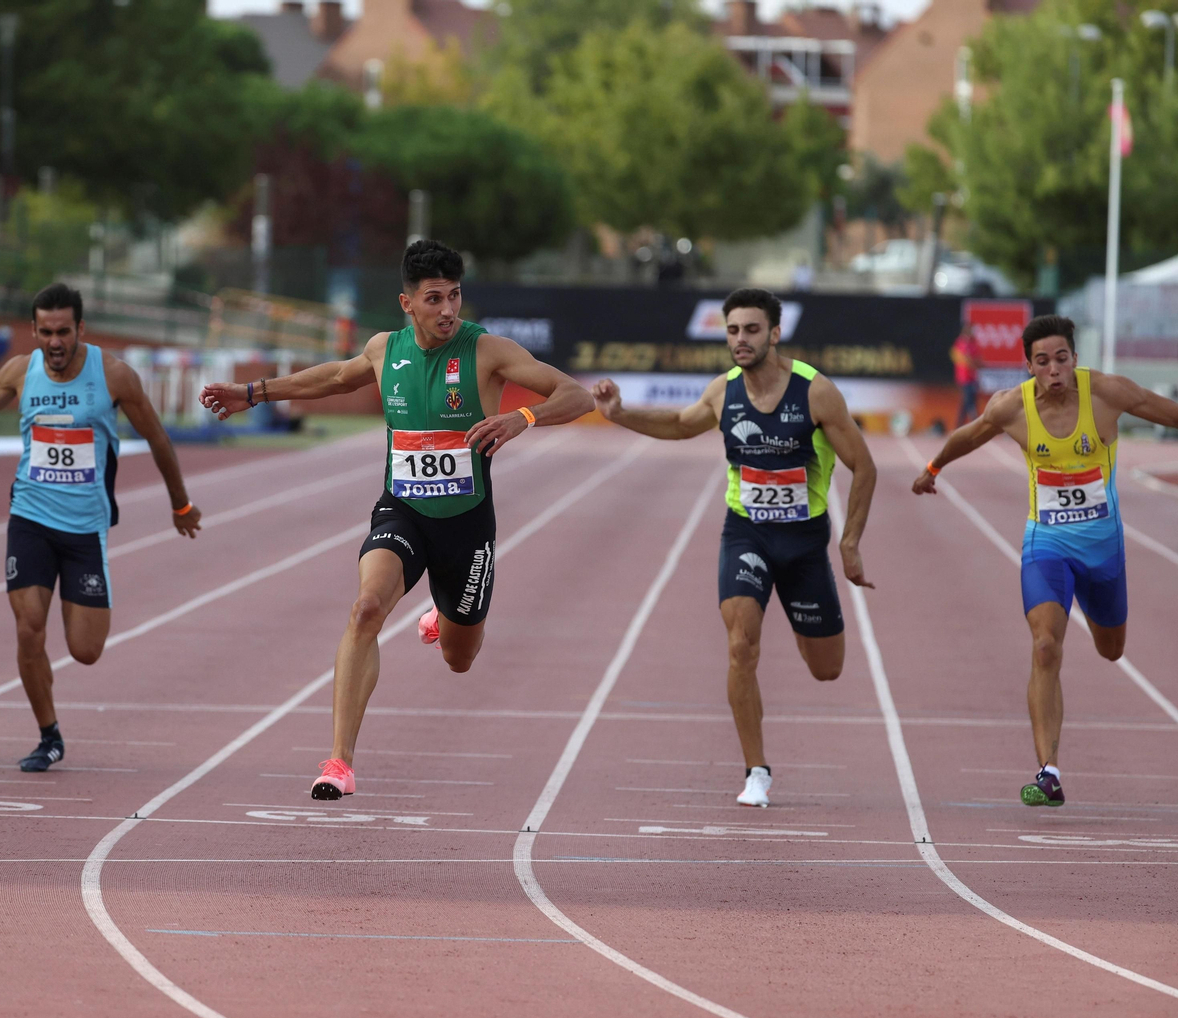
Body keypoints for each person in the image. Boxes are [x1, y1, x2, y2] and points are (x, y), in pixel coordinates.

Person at [199, 240, 595, 801]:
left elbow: (576, 395)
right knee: (365, 609)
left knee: (460, 659)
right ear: (407, 303)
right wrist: (252, 393)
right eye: (434, 298)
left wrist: (521, 416)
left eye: (455, 296)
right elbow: (337, 377)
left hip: (466, 523)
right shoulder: (387, 349)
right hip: (402, 510)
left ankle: (443, 611)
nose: (448, 310)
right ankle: (339, 762)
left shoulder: (486, 351)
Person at [591, 288, 878, 808]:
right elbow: (680, 426)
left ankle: (804, 619)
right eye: (732, 331)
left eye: (750, 330)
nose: (740, 340)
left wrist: (850, 542)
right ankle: (756, 771)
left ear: (774, 333)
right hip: (746, 532)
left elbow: (865, 467)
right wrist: (620, 414)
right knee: (741, 644)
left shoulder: (816, 392)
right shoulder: (723, 392)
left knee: (826, 668)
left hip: (805, 543)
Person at [0, 283, 202, 772]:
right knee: (29, 629)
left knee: (85, 650)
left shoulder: (114, 376)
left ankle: (54, 717)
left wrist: (181, 505)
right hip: (30, 517)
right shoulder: (20, 371)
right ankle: (48, 736)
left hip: (84, 529)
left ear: (80, 329)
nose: (54, 342)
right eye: (45, 331)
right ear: (33, 330)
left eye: (63, 332)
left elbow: (157, 438)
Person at [912, 314, 1178, 807]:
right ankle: (1048, 772)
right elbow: (970, 435)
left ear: (1074, 359)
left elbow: (1167, 411)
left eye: (1061, 358)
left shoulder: (1108, 393)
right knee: (1045, 647)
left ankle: (1101, 631)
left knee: (1111, 649)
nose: (1053, 369)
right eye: (1042, 361)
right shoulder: (1011, 407)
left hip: (1103, 551)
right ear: (1028, 366)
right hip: (1046, 544)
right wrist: (933, 468)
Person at [952, 323, 980, 428]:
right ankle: (976, 425)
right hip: (964, 377)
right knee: (970, 402)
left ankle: (958, 426)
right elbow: (965, 359)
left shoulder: (973, 344)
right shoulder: (960, 343)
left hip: (972, 377)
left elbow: (978, 359)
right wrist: (973, 363)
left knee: (966, 402)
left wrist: (975, 363)